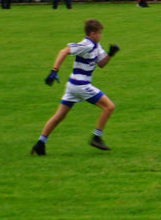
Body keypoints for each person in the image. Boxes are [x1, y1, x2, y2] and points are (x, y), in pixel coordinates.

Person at [31, 18, 119, 155]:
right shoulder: (85, 45)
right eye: (99, 33)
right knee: (109, 107)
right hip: (80, 85)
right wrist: (54, 71)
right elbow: (63, 51)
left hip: (72, 85)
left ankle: (40, 143)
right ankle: (96, 137)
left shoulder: (96, 45)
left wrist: (110, 54)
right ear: (91, 33)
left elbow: (101, 64)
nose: (100, 35)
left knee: (58, 116)